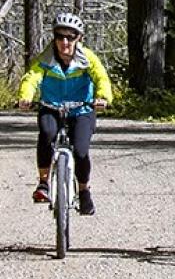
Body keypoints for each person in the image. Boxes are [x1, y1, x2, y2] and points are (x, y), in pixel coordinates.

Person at [18, 12, 113, 216]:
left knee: (80, 151)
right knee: (47, 134)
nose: (64, 42)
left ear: (78, 38)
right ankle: (43, 183)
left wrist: (102, 97)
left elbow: (101, 78)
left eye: (70, 37)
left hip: (82, 109)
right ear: (54, 37)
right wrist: (25, 96)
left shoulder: (87, 58)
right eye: (60, 36)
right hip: (51, 107)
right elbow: (31, 77)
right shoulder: (45, 58)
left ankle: (84, 190)